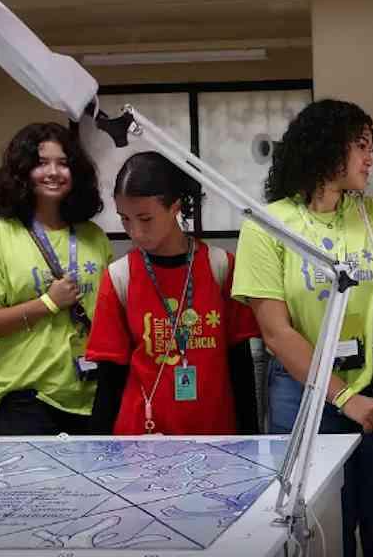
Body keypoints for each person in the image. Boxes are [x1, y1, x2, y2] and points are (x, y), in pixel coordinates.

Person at [232, 99, 373, 557]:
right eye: (361, 146)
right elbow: (276, 332)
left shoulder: (372, 215)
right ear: (328, 148)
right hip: (305, 397)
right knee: (324, 533)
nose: (371, 158)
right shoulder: (268, 226)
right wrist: (346, 398)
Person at [85, 151, 260, 435]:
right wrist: (100, 454)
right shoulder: (120, 277)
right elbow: (110, 379)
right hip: (143, 439)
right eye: (125, 219)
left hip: (216, 435)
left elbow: (240, 363)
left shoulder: (221, 266)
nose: (135, 232)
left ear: (175, 207)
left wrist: (252, 437)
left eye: (145, 218)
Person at [0, 122, 111, 435]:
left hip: (92, 395)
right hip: (25, 400)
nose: (53, 172)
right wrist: (47, 303)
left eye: (63, 163)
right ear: (22, 171)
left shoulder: (94, 237)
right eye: (42, 163)